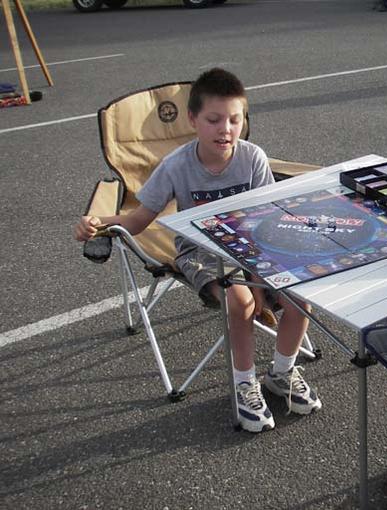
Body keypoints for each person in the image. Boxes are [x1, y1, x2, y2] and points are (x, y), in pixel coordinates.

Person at [74, 68, 321, 433]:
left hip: (252, 244)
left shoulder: (252, 158)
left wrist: (259, 274)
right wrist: (99, 222)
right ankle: (243, 383)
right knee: (241, 303)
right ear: (193, 120)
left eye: (235, 119)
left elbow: (266, 216)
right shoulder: (176, 165)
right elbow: (140, 219)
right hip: (200, 250)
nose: (226, 129)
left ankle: (282, 373)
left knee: (299, 294)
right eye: (214, 120)